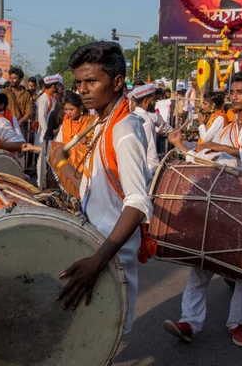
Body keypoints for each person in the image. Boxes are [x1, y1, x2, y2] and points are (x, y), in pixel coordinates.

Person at [166, 71, 242, 348]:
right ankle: (189, 321)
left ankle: (236, 322)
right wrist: (181, 146)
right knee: (201, 261)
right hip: (221, 202)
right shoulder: (226, 127)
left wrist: (223, 148)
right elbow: (203, 156)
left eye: (240, 92)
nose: (234, 97)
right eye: (232, 91)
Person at [50, 41, 152, 334]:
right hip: (93, 245)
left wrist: (97, 261)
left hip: (107, 257)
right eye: (79, 82)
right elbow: (94, 192)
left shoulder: (124, 130)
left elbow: (137, 203)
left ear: (117, 82)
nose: (82, 89)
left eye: (92, 81)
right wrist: (64, 166)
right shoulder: (103, 122)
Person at [35, 75, 62, 183]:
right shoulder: (44, 98)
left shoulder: (50, 98)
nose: (57, 87)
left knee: (45, 157)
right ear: (52, 86)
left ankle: (43, 179)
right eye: (56, 85)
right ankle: (40, 182)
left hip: (49, 133)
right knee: (42, 158)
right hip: (44, 133)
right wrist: (48, 133)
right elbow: (41, 117)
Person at [129, 83, 160, 176]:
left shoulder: (131, 117)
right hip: (146, 170)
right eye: (153, 99)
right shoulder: (146, 121)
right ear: (146, 101)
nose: (155, 103)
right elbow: (151, 151)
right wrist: (156, 171)